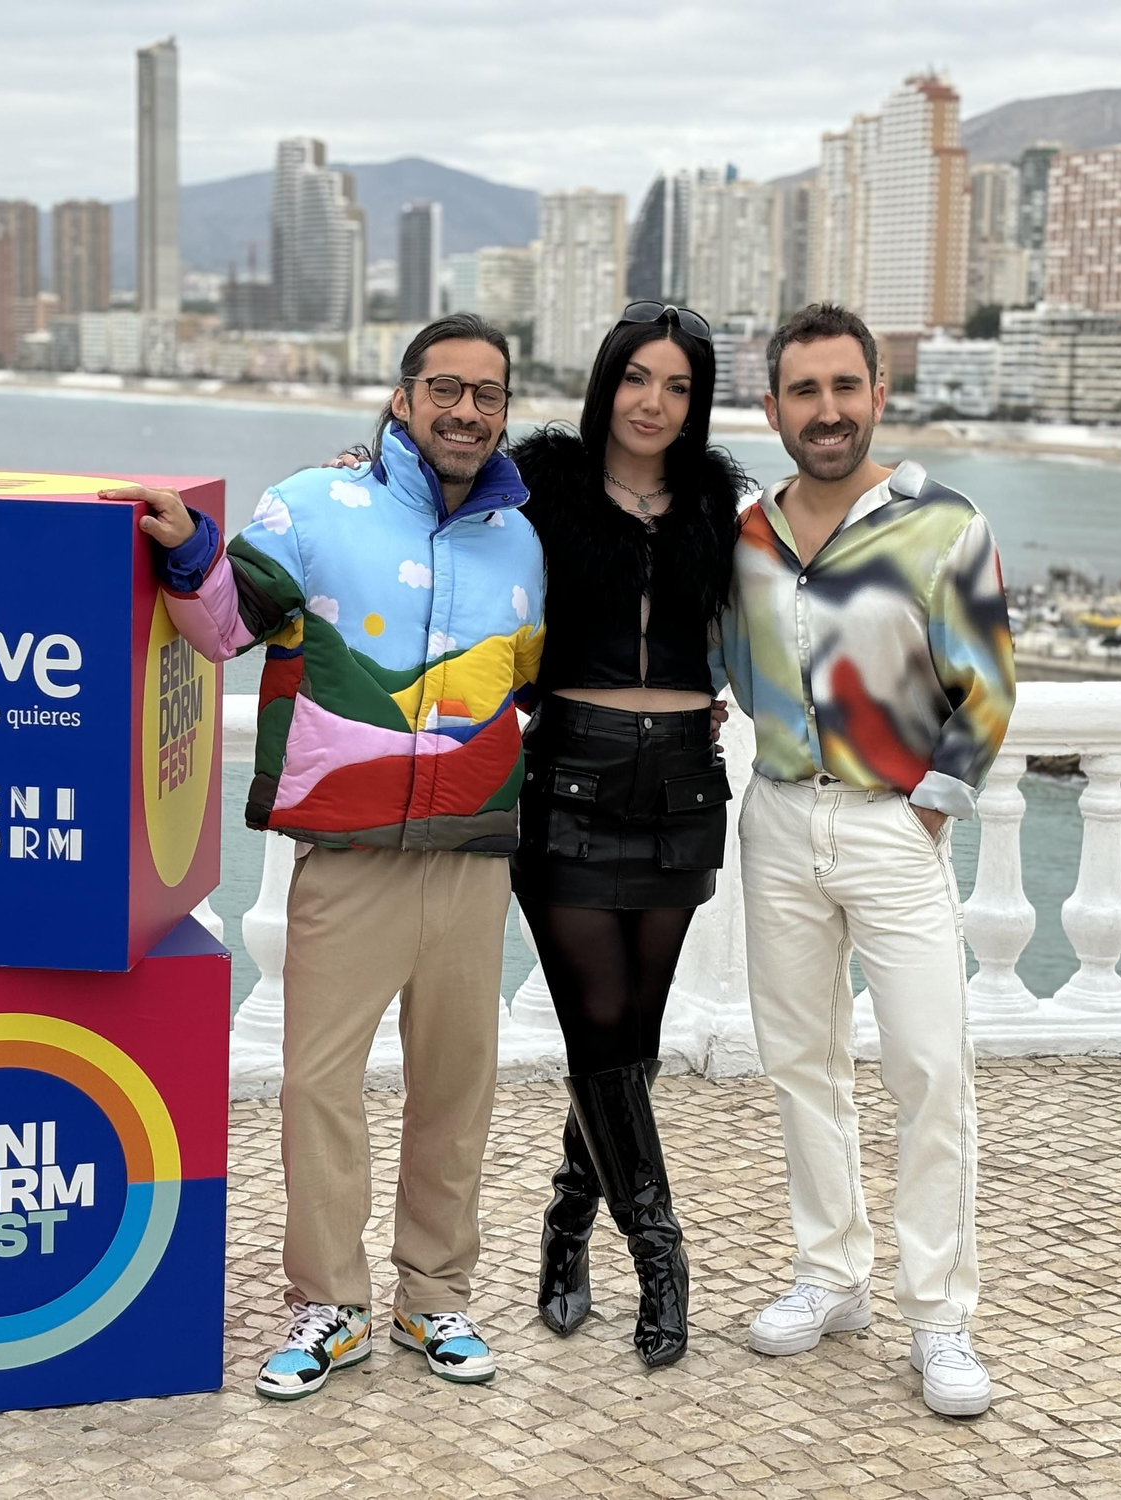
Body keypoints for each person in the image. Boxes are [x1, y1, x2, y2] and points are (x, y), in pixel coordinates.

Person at [108, 313, 545, 1401]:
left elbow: (530, 683)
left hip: (473, 854)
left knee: (457, 1087)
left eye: (487, 394)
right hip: (346, 851)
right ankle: (330, 1304)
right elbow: (222, 628)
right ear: (403, 398)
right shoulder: (310, 505)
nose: (466, 411)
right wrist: (189, 549)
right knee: (316, 1084)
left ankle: (434, 1296)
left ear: (504, 411)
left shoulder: (523, 541)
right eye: (444, 388)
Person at [717, 304, 1014, 1417]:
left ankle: (938, 1315)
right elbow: (713, 661)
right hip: (778, 821)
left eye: (845, 386)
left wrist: (924, 813)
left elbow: (986, 687)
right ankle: (830, 1274)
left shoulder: (943, 524)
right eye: (805, 390)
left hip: (893, 826)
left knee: (929, 1070)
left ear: (877, 395)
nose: (827, 409)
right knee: (801, 1062)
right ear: (773, 408)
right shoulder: (745, 538)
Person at [508, 303, 745, 1367]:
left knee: (630, 1039)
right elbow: (432, 508)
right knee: (598, 1022)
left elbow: (775, 613)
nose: (655, 403)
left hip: (684, 787)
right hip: (568, 777)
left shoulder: (716, 500)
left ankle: (568, 1216)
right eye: (638, 378)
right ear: (607, 382)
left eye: (678, 386)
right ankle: (659, 1250)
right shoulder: (540, 483)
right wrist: (363, 466)